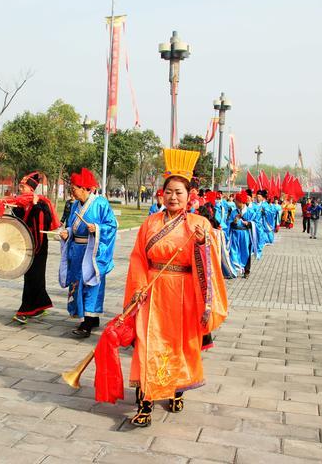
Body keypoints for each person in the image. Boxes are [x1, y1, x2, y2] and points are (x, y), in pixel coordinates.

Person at [122, 148, 228, 427]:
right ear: (162, 193)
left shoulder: (198, 223)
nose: (173, 197)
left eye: (179, 192)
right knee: (147, 344)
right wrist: (139, 287)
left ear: (189, 195)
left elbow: (209, 264)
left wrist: (203, 243)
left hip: (183, 295)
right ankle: (145, 401)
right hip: (152, 292)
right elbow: (137, 258)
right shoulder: (150, 223)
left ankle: (176, 389)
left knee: (177, 346)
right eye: (169, 191)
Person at [59, 168, 117, 338]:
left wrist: (97, 228)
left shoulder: (100, 203)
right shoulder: (75, 205)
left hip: (92, 251)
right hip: (77, 251)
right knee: (78, 283)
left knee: (91, 283)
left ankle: (88, 323)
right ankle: (88, 316)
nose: (72, 192)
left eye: (74, 188)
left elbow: (112, 225)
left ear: (84, 188)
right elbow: (72, 226)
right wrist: (68, 232)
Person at [12, 171, 60, 323]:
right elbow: (18, 220)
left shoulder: (42, 203)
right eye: (20, 186)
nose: (20, 189)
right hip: (26, 243)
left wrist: (34, 205)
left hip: (39, 245)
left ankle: (25, 310)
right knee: (32, 276)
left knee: (35, 276)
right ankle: (40, 305)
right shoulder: (19, 203)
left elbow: (46, 221)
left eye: (23, 187)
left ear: (31, 189)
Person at [228, 190, 255, 278]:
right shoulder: (233, 212)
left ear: (241, 202)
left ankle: (246, 271)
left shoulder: (250, 212)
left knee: (246, 252)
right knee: (233, 251)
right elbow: (229, 223)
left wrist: (249, 224)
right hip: (235, 234)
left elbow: (257, 223)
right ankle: (234, 270)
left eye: (236, 201)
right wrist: (234, 222)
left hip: (245, 235)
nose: (235, 203)